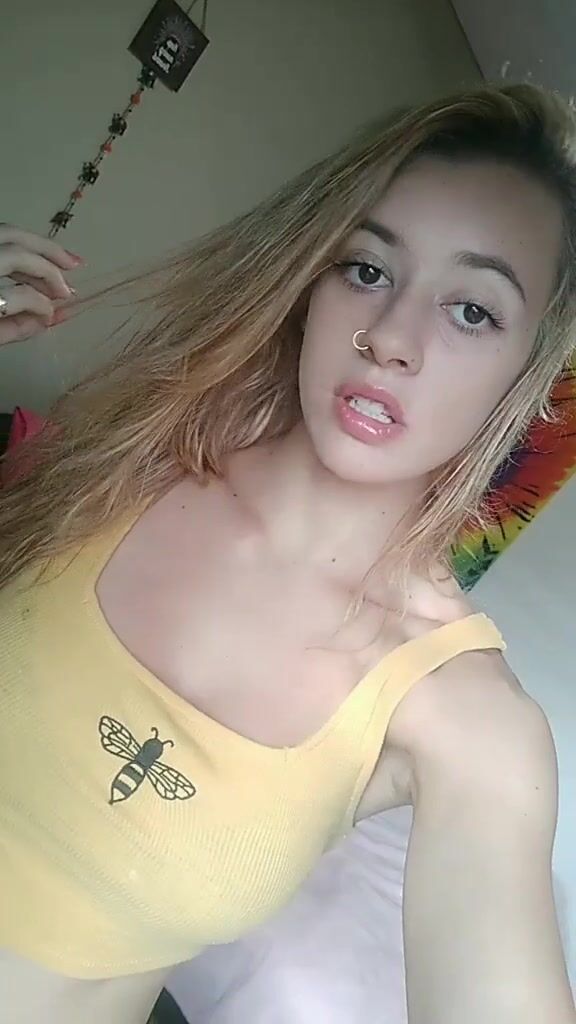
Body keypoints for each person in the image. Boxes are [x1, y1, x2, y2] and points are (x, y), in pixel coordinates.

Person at [0, 81, 575, 1024]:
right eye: (367, 269)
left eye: (473, 311)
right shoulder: (135, 452)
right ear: (311, 283)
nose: (391, 340)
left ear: (526, 376)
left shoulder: (467, 721)